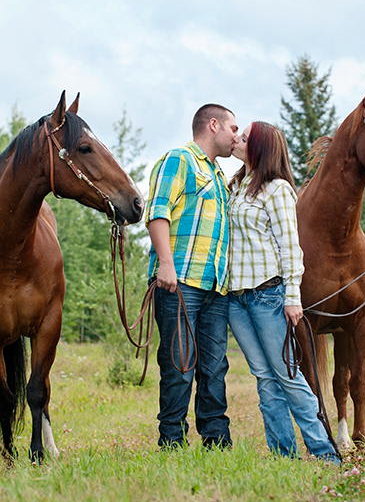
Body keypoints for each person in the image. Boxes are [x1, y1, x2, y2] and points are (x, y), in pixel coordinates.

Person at [226, 121, 341, 463]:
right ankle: (283, 456)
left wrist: (293, 297)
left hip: (267, 296)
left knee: (289, 376)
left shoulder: (277, 190)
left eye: (244, 138)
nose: (236, 140)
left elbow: (291, 249)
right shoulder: (236, 184)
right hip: (236, 298)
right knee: (264, 378)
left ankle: (324, 453)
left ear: (259, 148)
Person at [145, 104, 238, 450]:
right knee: (179, 366)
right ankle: (171, 439)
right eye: (232, 128)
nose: (236, 137)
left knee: (214, 366)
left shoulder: (218, 175)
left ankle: (216, 438)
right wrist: (165, 264)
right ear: (213, 125)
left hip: (215, 286)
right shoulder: (179, 160)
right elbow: (157, 212)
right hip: (180, 281)